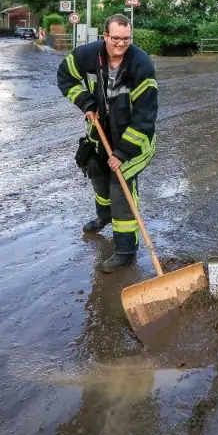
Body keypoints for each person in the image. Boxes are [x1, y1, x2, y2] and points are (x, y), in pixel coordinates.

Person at [57, 14, 158, 272]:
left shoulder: (141, 65)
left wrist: (123, 153)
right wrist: (86, 103)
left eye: (126, 39)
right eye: (115, 38)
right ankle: (103, 218)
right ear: (105, 36)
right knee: (99, 178)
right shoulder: (88, 56)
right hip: (100, 135)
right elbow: (65, 76)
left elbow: (145, 115)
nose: (121, 44)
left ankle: (125, 249)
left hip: (133, 143)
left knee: (119, 188)